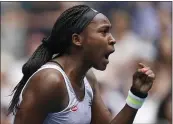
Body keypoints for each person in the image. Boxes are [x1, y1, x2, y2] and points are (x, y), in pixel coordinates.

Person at [8, 5, 155, 124]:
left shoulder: (88, 79)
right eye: (104, 32)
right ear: (77, 39)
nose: (113, 39)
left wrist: (137, 95)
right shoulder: (50, 80)